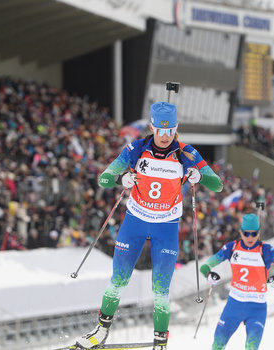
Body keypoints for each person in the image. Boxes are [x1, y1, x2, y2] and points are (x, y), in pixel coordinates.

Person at [76, 102, 223, 350]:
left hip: (166, 225)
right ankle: (101, 331)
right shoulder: (137, 148)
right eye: (159, 131)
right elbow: (104, 178)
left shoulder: (186, 153)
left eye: (170, 131)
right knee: (118, 280)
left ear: (176, 129)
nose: (164, 137)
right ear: (152, 127)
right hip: (136, 220)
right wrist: (121, 178)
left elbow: (217, 185)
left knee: (160, 291)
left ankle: (160, 343)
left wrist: (201, 176)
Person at [199, 213, 274, 350]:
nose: (250, 237)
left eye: (254, 233)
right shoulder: (232, 248)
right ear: (240, 232)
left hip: (257, 308)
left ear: (259, 232)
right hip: (234, 305)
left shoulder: (266, 250)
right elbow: (205, 266)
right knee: (217, 345)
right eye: (246, 233)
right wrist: (208, 274)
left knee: (251, 347)